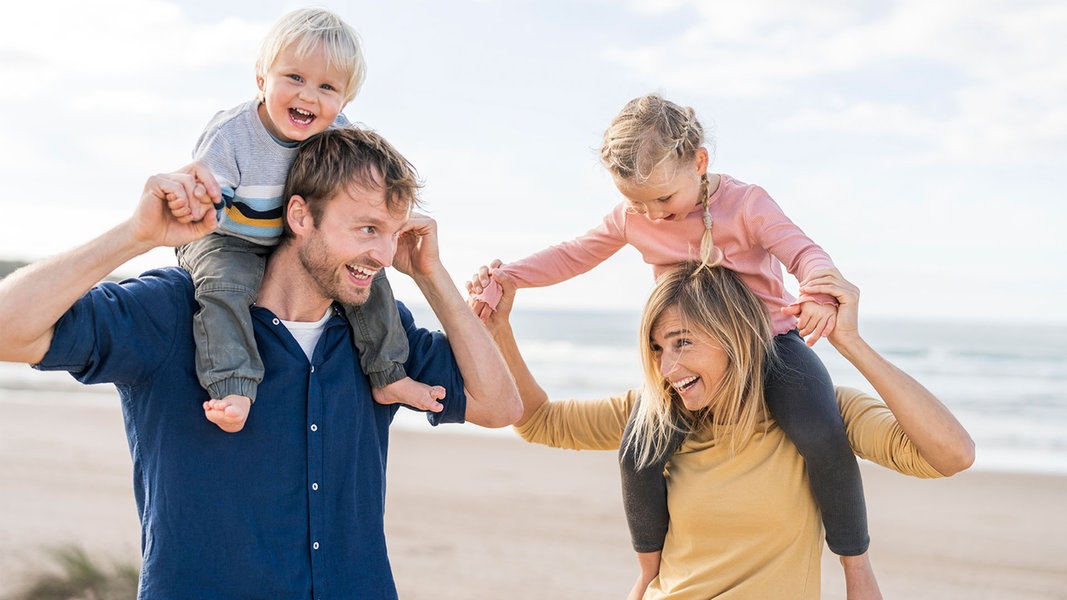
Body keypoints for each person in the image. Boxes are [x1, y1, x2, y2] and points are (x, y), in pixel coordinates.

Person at [0, 127, 522, 599]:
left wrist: (431, 274)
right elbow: (8, 329)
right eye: (366, 229)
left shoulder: (380, 336)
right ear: (300, 216)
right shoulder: (173, 310)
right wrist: (136, 235)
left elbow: (500, 407)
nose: (385, 255)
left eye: (393, 232)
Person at [468, 93, 874, 595]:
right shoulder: (631, 216)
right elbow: (573, 255)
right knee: (638, 452)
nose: (651, 214)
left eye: (662, 199)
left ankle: (857, 569)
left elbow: (803, 252)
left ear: (699, 163)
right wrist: (508, 277)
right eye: (637, 201)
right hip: (700, 355)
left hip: (770, 344)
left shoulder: (746, 204)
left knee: (819, 431)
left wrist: (815, 287)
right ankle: (648, 572)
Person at [476, 262, 974, 600]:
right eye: (657, 349)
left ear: (734, 337)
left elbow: (951, 454)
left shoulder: (820, 416)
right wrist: (499, 331)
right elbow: (539, 421)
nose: (668, 367)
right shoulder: (652, 414)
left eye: (683, 342)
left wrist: (853, 345)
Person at [169, 7, 442, 434]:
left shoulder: (339, 133)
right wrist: (200, 207)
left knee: (369, 280)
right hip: (227, 233)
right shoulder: (232, 134)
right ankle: (233, 382)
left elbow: (364, 188)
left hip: (286, 231)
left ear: (344, 100)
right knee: (225, 285)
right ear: (262, 80)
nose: (309, 96)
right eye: (294, 78)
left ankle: (388, 374)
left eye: (327, 86)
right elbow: (209, 193)